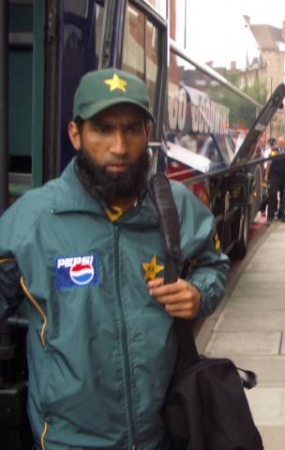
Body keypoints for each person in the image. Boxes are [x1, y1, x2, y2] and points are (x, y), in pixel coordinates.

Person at [0, 68, 230, 448]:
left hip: (161, 434)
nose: (120, 147)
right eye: (103, 129)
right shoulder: (35, 219)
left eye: (132, 129)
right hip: (67, 441)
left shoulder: (175, 206)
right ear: (76, 134)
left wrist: (199, 293)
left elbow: (214, 264)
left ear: (147, 135)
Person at [265, 136, 285, 224]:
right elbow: (269, 163)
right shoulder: (274, 151)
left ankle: (281, 213)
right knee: (272, 194)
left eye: (282, 143)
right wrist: (266, 175)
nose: (280, 145)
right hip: (274, 175)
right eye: (279, 143)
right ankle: (270, 215)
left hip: (284, 175)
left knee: (284, 194)